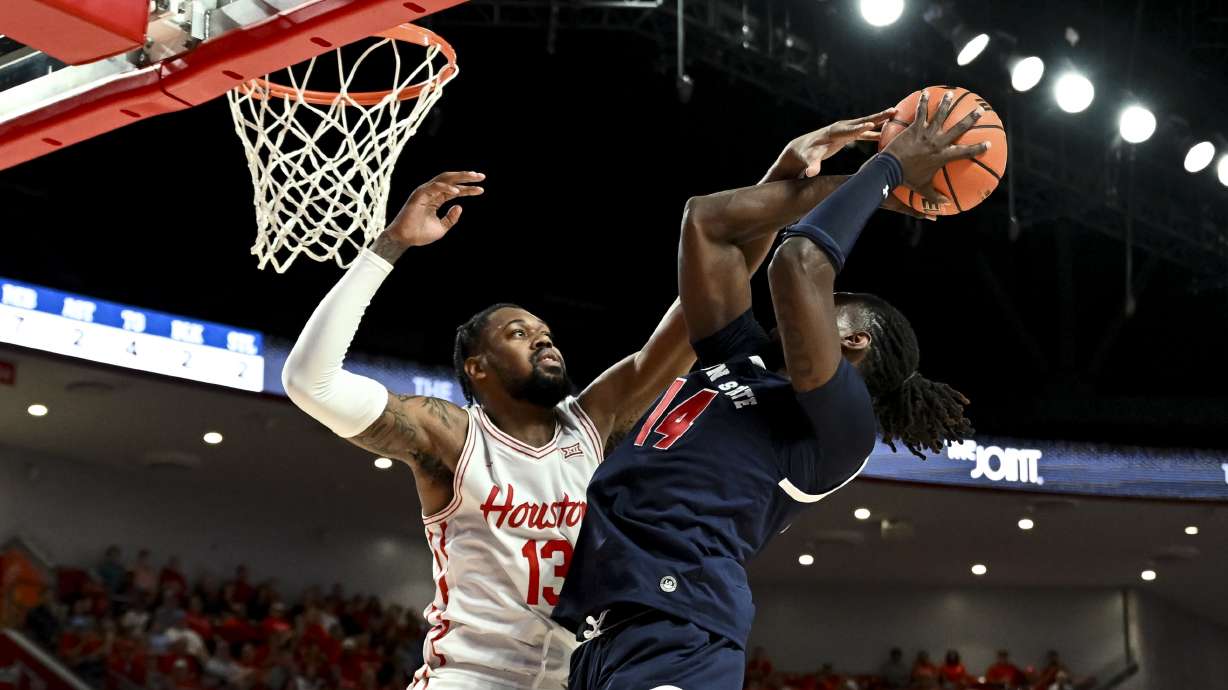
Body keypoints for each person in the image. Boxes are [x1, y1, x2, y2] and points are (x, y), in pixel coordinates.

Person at [553, 89, 982, 688]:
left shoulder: (841, 428)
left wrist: (886, 173)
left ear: (853, 343)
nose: (804, 308)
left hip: (680, 628)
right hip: (604, 629)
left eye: (830, 305)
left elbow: (798, 263)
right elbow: (705, 223)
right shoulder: (743, 358)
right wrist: (800, 182)